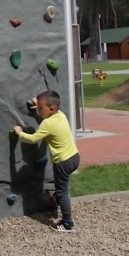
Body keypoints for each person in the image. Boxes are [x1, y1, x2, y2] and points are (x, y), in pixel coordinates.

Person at [13, 90, 80, 232]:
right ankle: (57, 199)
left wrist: (19, 133)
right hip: (74, 158)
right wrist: (39, 106)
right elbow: (47, 121)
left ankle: (67, 224)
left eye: (40, 108)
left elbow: (33, 139)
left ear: (51, 109)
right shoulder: (60, 115)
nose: (38, 110)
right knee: (62, 187)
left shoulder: (47, 124)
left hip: (62, 162)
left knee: (62, 192)